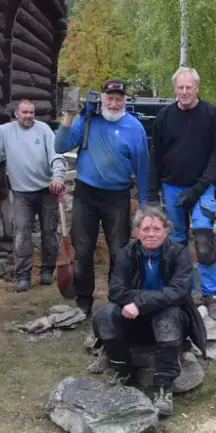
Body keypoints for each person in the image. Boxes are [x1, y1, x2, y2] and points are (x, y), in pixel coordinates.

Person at [92, 204, 208, 418]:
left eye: (156, 229)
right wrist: (137, 304)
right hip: (134, 320)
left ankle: (163, 386)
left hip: (172, 319)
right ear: (137, 232)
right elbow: (116, 290)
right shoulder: (126, 253)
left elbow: (178, 291)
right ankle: (122, 370)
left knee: (167, 317)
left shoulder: (179, 253)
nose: (151, 234)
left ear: (166, 231)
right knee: (104, 316)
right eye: (145, 229)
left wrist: (141, 303)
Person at [54, 79, 149, 317]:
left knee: (119, 251)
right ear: (102, 98)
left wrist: (144, 205)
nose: (114, 104)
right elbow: (60, 145)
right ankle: (84, 300)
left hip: (117, 197)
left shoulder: (135, 128)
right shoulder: (87, 120)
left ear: (125, 100)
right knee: (83, 250)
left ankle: (116, 300)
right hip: (86, 195)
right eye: (110, 98)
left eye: (118, 99)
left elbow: (143, 169)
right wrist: (70, 115)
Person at [148, 67, 216, 323]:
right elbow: (156, 155)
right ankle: (183, 292)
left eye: (189, 87)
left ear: (197, 88)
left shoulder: (212, 114)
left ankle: (211, 295)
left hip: (203, 187)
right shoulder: (164, 116)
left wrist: (197, 189)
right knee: (176, 243)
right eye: (180, 87)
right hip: (172, 187)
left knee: (203, 238)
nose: (184, 92)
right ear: (175, 89)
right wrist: (152, 194)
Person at [0, 99, 67, 292]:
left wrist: (58, 176)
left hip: (47, 190)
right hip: (21, 193)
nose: (29, 116)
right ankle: (23, 276)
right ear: (16, 114)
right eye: (25, 112)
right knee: (21, 233)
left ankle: (47, 270)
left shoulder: (43, 130)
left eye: (31, 112)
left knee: (49, 231)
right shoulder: (6, 131)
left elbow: (56, 154)